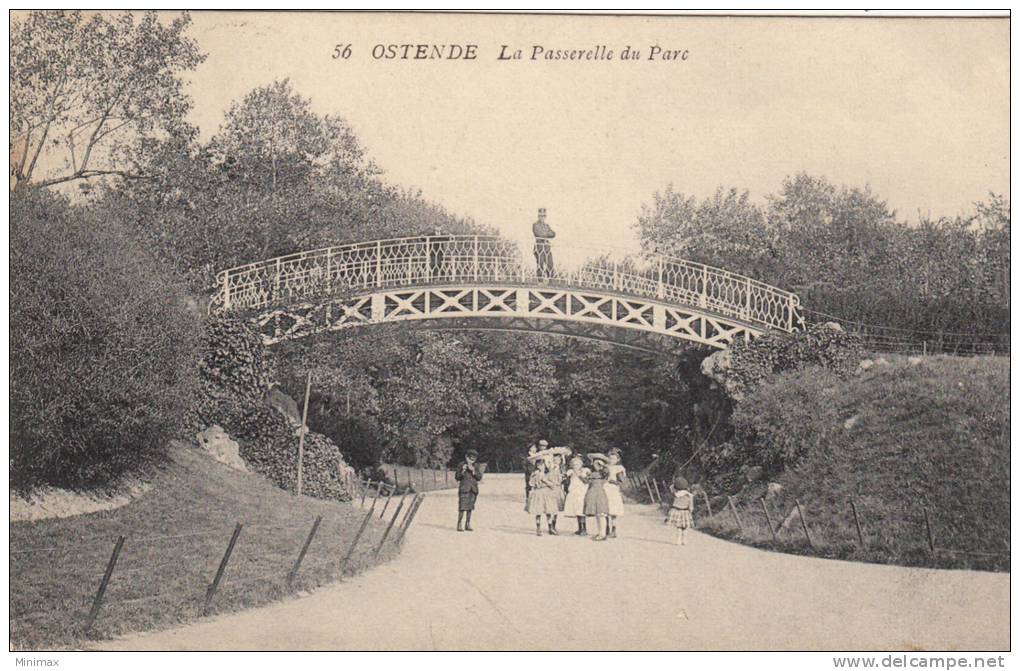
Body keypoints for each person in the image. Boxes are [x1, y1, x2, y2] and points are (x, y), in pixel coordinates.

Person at [526, 455, 560, 536]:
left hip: (547, 492)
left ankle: (550, 527)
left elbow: (552, 483)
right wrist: (539, 482)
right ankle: (538, 528)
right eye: (538, 465)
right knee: (538, 511)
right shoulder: (535, 474)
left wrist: (549, 482)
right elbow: (531, 483)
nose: (540, 467)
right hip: (539, 492)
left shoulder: (547, 474)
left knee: (548, 510)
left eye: (542, 465)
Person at [583, 453, 611, 541]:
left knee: (601, 514)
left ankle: (602, 534)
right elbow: (587, 482)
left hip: (599, 494)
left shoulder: (601, 474)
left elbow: (587, 481)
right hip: (593, 494)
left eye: (595, 463)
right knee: (598, 515)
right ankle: (600, 533)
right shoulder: (593, 473)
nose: (593, 465)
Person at [455, 449, 483, 532]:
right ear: (466, 457)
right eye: (470, 458)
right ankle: (459, 524)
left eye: (474, 459)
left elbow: (479, 477)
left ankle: (467, 524)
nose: (472, 460)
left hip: (473, 490)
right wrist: (463, 471)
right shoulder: (461, 465)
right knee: (462, 507)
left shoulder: (476, 466)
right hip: (464, 489)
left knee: (470, 507)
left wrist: (473, 471)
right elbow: (457, 477)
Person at [562, 455, 590, 536]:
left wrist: (579, 475)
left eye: (577, 464)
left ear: (581, 464)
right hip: (574, 492)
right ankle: (580, 528)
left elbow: (587, 481)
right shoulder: (571, 472)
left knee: (581, 510)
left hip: (581, 492)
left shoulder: (585, 471)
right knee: (577, 510)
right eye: (574, 464)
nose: (575, 466)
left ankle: (584, 528)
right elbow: (565, 478)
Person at [605, 449, 627, 539]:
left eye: (614, 459)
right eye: (610, 458)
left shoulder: (619, 469)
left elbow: (623, 482)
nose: (611, 460)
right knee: (605, 510)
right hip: (605, 489)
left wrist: (613, 481)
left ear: (617, 459)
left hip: (613, 490)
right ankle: (606, 528)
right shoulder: (605, 467)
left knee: (613, 510)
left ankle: (613, 530)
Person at [667, 476, 695, 546]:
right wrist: (690, 510)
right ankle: (684, 540)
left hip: (677, 510)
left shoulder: (676, 494)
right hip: (685, 512)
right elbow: (691, 506)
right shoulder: (689, 495)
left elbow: (671, 488)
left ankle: (678, 540)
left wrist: (674, 484)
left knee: (678, 527)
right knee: (684, 528)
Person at [532, 208, 555, 280]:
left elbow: (553, 234)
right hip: (539, 247)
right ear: (538, 216)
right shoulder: (535, 225)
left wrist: (544, 234)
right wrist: (546, 234)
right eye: (541, 216)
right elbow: (538, 234)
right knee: (540, 263)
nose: (542, 217)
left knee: (550, 264)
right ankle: (540, 280)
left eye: (544, 216)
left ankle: (551, 280)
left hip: (547, 248)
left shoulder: (546, 225)